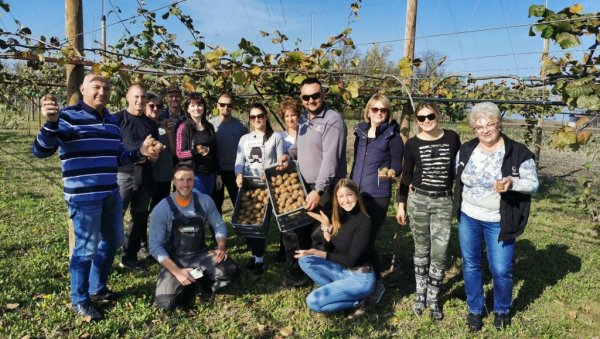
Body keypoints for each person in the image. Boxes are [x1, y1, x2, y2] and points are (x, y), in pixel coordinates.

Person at [32, 73, 159, 320]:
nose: (102, 91)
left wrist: (140, 152)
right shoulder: (68, 117)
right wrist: (50, 123)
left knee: (112, 241)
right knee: (85, 248)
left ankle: (97, 289)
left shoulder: (112, 121)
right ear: (83, 89)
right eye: (96, 87)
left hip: (110, 192)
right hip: (84, 197)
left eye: (107, 87)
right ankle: (80, 299)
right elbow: (40, 151)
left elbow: (120, 156)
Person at [454, 102, 538, 331]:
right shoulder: (466, 149)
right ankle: (475, 309)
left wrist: (512, 182)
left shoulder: (517, 151)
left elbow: (533, 184)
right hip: (469, 216)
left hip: (498, 220)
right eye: (479, 126)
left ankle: (501, 309)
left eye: (490, 124)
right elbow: (458, 176)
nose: (485, 130)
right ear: (474, 129)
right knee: (471, 265)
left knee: (500, 269)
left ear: (498, 124)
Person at [277, 77, 348, 287]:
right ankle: (300, 274)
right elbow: (299, 147)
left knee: (321, 232)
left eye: (315, 95)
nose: (311, 100)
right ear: (302, 99)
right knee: (296, 230)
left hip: (324, 187)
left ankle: (320, 277)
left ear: (323, 95)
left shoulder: (332, 120)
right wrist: (288, 155)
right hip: (304, 185)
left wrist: (318, 189)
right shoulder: (304, 121)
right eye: (306, 97)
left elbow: (330, 159)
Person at [395, 102, 461, 320]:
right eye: (421, 118)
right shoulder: (412, 144)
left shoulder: (452, 138)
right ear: (416, 121)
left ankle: (433, 297)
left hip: (443, 201)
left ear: (438, 115)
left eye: (430, 116)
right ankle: (420, 295)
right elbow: (406, 176)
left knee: (440, 252)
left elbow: (459, 170)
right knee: (421, 249)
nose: (426, 121)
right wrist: (401, 203)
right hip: (419, 201)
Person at [149, 164, 238, 311]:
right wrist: (177, 272)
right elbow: (155, 246)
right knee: (166, 304)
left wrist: (221, 247)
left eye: (189, 180)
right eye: (181, 179)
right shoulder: (162, 209)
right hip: (175, 261)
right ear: (174, 181)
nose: (185, 184)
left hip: (200, 257)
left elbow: (219, 225)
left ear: (194, 181)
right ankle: (186, 281)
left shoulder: (205, 201)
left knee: (230, 269)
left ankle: (198, 280)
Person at [350, 94, 404, 304]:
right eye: (375, 109)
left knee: (367, 239)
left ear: (388, 113)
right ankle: (361, 278)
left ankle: (376, 284)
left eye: (383, 110)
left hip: (378, 194)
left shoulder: (393, 136)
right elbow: (355, 162)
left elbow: (398, 165)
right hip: (356, 193)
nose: (379, 113)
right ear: (368, 111)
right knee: (358, 238)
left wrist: (391, 171)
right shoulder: (360, 133)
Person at [295, 179, 375, 317]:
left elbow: (350, 260)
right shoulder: (340, 217)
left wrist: (316, 252)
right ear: (336, 199)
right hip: (343, 271)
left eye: (349, 194)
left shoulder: (365, 222)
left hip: (361, 278)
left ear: (356, 195)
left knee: (313, 302)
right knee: (305, 260)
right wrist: (326, 228)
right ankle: (337, 291)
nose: (346, 200)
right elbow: (330, 249)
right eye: (341, 196)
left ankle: (360, 301)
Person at [234, 103, 284, 275]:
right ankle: (256, 255)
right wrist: (238, 175)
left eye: (260, 116)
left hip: (266, 186)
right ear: (250, 119)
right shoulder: (245, 139)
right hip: (248, 185)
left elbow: (280, 163)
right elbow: (239, 161)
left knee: (259, 222)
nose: (257, 119)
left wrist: (268, 172)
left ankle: (260, 259)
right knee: (246, 220)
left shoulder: (275, 137)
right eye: (253, 117)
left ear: (266, 116)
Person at [115, 84, 159, 271]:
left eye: (143, 97)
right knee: (114, 215)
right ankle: (104, 256)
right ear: (127, 97)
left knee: (140, 216)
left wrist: (155, 155)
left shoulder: (150, 124)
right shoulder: (117, 119)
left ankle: (129, 256)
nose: (140, 100)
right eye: (136, 97)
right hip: (123, 175)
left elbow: (154, 149)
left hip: (145, 176)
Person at [175, 93, 222, 195]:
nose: (197, 108)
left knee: (206, 204)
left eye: (200, 105)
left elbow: (215, 151)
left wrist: (218, 174)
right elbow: (180, 153)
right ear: (187, 109)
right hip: (194, 176)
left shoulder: (209, 127)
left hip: (210, 174)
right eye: (192, 105)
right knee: (196, 206)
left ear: (204, 107)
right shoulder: (184, 128)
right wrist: (196, 151)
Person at [209, 93, 249, 214]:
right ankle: (217, 232)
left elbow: (247, 149)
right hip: (217, 172)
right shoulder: (210, 125)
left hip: (235, 172)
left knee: (239, 203)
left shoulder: (241, 126)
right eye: (222, 105)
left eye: (229, 105)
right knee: (216, 204)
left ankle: (243, 229)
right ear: (217, 105)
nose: (226, 107)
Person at [275, 97, 301, 262]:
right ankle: (284, 248)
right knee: (285, 213)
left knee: (300, 213)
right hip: (287, 181)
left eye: (293, 115)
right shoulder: (281, 137)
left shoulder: (305, 133)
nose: (291, 119)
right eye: (287, 116)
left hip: (302, 177)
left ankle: (300, 248)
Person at [145, 93, 176, 210]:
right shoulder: (141, 125)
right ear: (145, 106)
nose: (155, 109)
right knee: (143, 210)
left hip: (164, 175)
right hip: (147, 176)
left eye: (159, 106)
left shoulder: (165, 125)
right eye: (152, 105)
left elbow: (173, 151)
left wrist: (169, 133)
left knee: (162, 208)